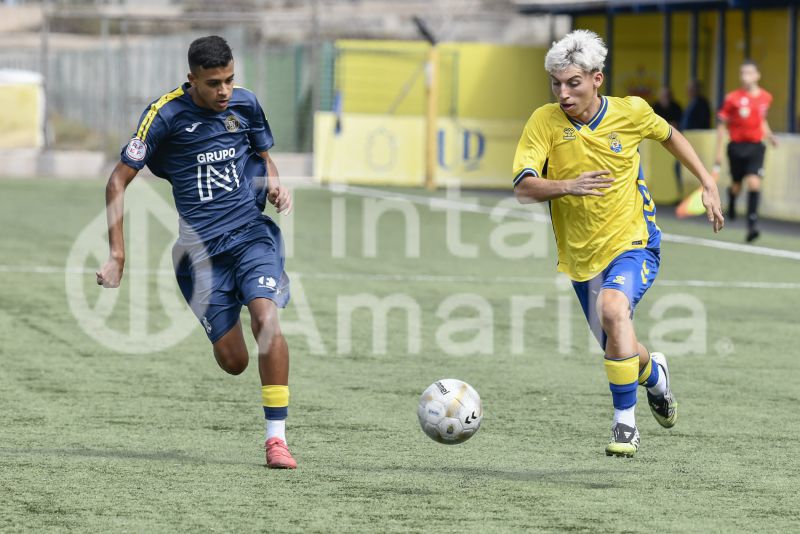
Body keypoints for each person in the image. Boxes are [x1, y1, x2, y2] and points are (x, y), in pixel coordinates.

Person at [512, 30, 724, 457]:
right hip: (581, 257)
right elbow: (524, 187)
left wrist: (707, 181)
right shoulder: (544, 121)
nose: (563, 93)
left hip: (635, 241)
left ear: (597, 79)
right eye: (556, 83)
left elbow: (670, 136)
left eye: (572, 82)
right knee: (619, 343)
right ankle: (655, 376)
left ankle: (624, 424)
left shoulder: (631, 113)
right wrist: (569, 185)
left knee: (613, 310)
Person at [96, 36, 298, 469]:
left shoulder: (246, 105)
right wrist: (118, 254)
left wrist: (276, 184)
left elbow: (264, 156)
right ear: (192, 81)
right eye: (213, 84)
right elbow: (117, 181)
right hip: (200, 256)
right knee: (234, 362)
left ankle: (276, 440)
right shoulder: (163, 115)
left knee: (267, 318)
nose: (224, 91)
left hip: (251, 236)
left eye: (229, 80)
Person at [715, 60, 777, 243]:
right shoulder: (732, 98)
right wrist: (718, 152)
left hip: (756, 147)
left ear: (758, 75)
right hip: (736, 147)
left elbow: (761, 120)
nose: (746, 77)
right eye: (743, 73)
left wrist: (770, 135)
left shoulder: (766, 97)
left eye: (750, 73)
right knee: (736, 185)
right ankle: (732, 199)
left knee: (754, 183)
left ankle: (752, 225)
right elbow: (721, 124)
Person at [652, 86, 684, 197]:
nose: (665, 98)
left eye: (667, 95)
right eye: (663, 95)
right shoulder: (655, 106)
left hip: (671, 137)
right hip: (657, 144)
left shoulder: (676, 107)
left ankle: (678, 195)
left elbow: (676, 125)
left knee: (676, 168)